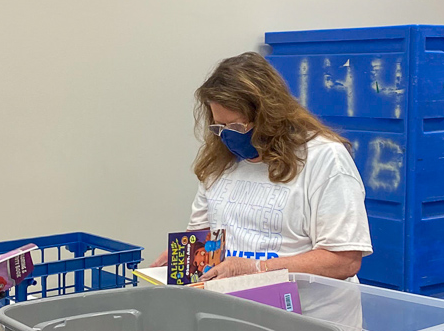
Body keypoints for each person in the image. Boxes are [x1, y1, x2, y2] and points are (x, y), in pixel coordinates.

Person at [155, 52, 372, 280]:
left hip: (304, 312)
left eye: (237, 127)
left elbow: (344, 261)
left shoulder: (324, 158)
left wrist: (256, 269)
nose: (227, 137)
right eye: (219, 127)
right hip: (238, 308)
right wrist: (188, 255)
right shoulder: (219, 162)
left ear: (270, 116)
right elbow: (203, 235)